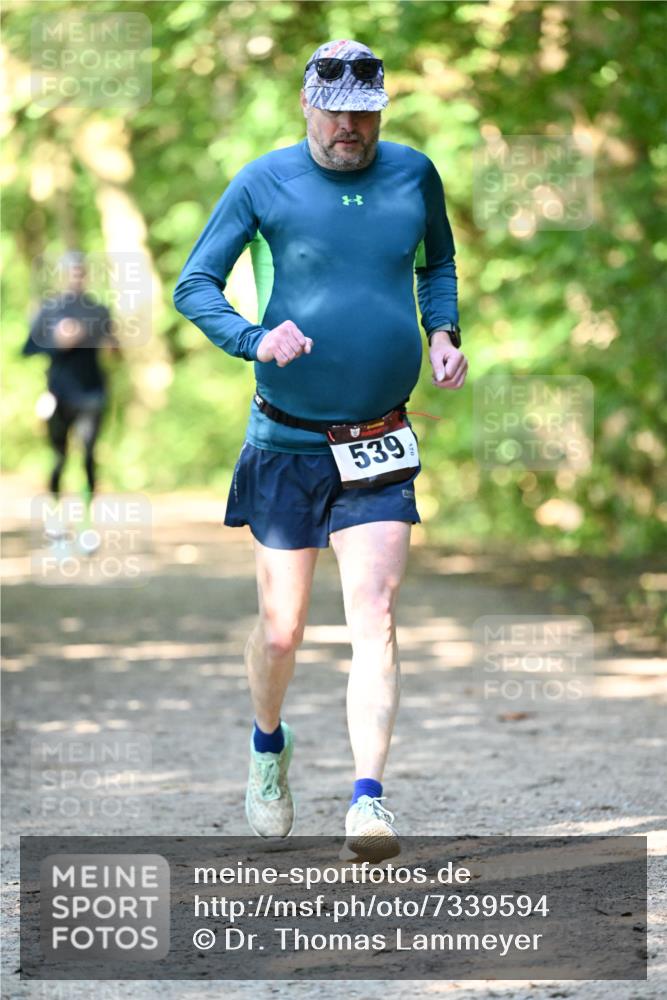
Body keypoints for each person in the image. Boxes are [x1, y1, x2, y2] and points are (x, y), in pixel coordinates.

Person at [174, 39, 468, 858]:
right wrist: (252, 339)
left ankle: (368, 801)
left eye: (365, 113)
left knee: (373, 611)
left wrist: (443, 332)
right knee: (281, 630)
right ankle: (268, 747)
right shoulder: (263, 182)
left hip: (378, 435)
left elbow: (436, 262)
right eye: (336, 111)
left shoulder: (413, 173)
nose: (351, 127)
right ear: (306, 104)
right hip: (287, 441)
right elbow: (193, 283)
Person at [23, 251, 118, 509]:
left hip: (92, 392)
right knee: (59, 456)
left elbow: (115, 348)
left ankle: (87, 511)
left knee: (88, 452)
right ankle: (54, 509)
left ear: (85, 275)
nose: (77, 278)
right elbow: (28, 349)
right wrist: (58, 343)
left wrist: (112, 346)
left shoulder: (99, 311)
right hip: (59, 393)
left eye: (81, 272)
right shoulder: (49, 310)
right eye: (72, 273)